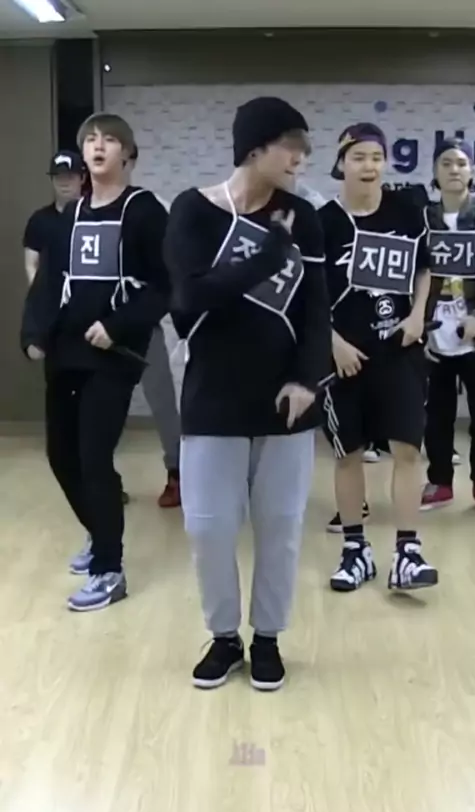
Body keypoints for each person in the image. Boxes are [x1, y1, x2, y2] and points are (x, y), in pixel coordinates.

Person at [164, 96, 332, 690]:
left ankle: (267, 639)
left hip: (285, 402)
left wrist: (307, 378)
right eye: (291, 146)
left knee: (280, 527)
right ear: (255, 148)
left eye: (305, 149)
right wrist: (266, 255)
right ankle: (223, 637)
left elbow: (316, 311)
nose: (300, 159)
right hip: (212, 396)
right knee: (209, 528)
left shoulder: (303, 217)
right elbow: (188, 298)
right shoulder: (193, 210)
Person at [20, 112, 171, 612]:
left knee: (93, 456)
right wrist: (34, 334)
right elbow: (49, 282)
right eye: (91, 140)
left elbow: (166, 285)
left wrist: (119, 325)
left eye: (109, 140)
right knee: (61, 457)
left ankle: (109, 568)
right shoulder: (73, 215)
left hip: (113, 355)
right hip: (67, 353)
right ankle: (99, 531)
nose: (98, 146)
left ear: (127, 153)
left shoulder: (144, 211)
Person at [319, 122, 437, 592]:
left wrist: (418, 315)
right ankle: (355, 550)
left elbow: (425, 268)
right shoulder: (322, 222)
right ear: (341, 164)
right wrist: (332, 342)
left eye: (376, 157)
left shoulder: (406, 211)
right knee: (348, 454)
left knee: (407, 449)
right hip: (344, 358)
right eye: (358, 157)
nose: (369, 166)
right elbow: (307, 295)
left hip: (399, 351)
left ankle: (407, 553)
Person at [421, 138, 475, 509]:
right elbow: (412, 275)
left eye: (461, 163)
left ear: (471, 171)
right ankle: (439, 480)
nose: (454, 170)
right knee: (436, 415)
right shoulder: (423, 219)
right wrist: (418, 323)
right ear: (435, 172)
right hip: (433, 334)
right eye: (446, 163)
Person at [124, 145, 182, 508]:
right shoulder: (81, 212)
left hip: (143, 322)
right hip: (93, 326)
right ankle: (102, 479)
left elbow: (169, 267)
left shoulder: (150, 206)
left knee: (161, 400)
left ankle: (177, 472)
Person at [23, 151, 85, 284]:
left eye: (70, 177)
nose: (64, 183)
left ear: (82, 178)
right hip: (49, 292)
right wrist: (38, 292)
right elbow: (31, 264)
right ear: (52, 180)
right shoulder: (39, 220)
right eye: (59, 177)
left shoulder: (94, 218)